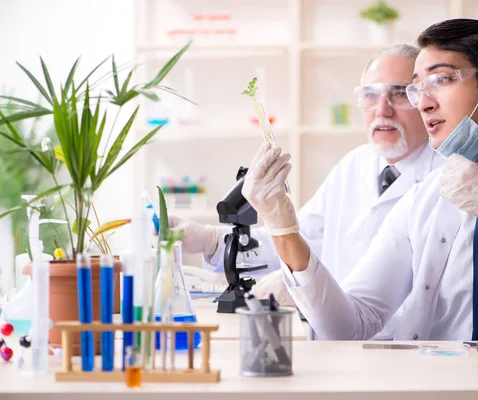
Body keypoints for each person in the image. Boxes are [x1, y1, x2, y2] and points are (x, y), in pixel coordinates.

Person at [241, 19, 478, 341]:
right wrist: (282, 227)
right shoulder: (423, 199)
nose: (423, 103)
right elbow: (349, 325)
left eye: (442, 80)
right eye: (417, 88)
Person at [170, 45, 443, 318]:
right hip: (338, 334)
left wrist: (305, 290)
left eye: (398, 93)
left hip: (406, 343)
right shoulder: (353, 164)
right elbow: (300, 240)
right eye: (370, 95)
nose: (382, 110)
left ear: (424, 99)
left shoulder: (445, 177)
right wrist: (211, 241)